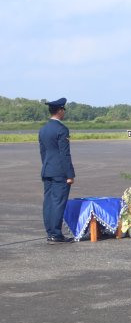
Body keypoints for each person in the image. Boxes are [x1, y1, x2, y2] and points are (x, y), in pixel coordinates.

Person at [39, 98, 76, 244]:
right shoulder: (61, 129)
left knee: (48, 202)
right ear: (60, 111)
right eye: (63, 110)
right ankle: (56, 234)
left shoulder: (43, 129)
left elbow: (43, 152)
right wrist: (70, 174)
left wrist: (47, 167)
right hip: (60, 172)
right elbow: (65, 154)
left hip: (47, 169)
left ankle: (50, 232)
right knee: (58, 202)